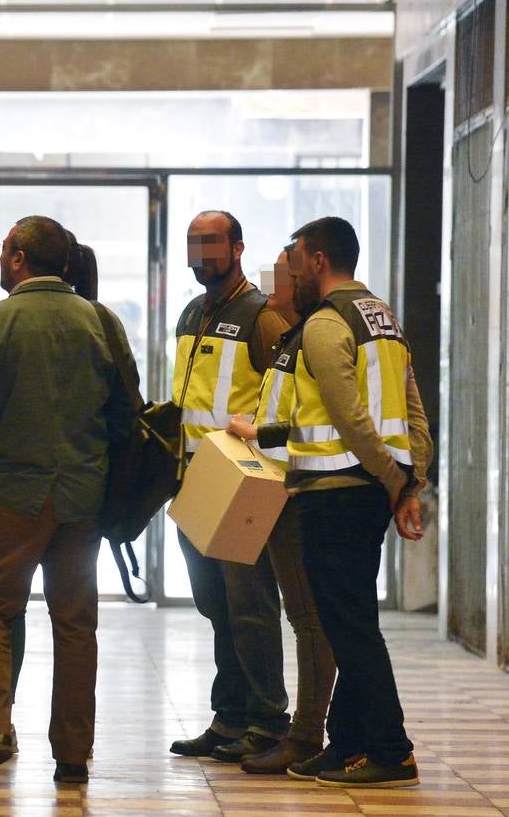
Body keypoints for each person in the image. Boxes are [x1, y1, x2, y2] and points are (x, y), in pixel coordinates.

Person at [0, 215, 132, 785]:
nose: (1, 260)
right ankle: (73, 754)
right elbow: (126, 412)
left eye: (4, 251)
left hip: (12, 495)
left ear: (20, 259)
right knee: (75, 624)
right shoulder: (101, 320)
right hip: (83, 496)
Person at [250, 217, 429, 788]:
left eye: (295, 258)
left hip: (338, 491)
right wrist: (408, 480)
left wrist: (397, 482)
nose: (291, 269)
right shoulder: (383, 317)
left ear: (319, 260)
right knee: (352, 619)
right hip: (370, 491)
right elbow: (413, 409)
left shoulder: (327, 325)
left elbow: (349, 416)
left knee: (348, 626)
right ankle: (347, 743)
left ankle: (389, 749)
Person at [168, 210, 293, 765]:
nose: (200, 254)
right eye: (194, 244)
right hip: (194, 477)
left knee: (249, 605)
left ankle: (269, 720)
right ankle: (230, 716)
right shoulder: (193, 311)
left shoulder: (261, 317)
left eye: (211, 243)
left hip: (243, 480)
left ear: (239, 248)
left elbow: (284, 399)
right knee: (215, 604)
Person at [225, 246, 337, 774]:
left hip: (308, 492)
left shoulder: (317, 334)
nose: (272, 281)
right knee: (304, 617)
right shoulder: (293, 336)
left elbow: (323, 421)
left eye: (284, 272)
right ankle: (312, 731)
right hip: (282, 487)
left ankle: (308, 733)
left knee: (310, 619)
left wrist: (259, 431)